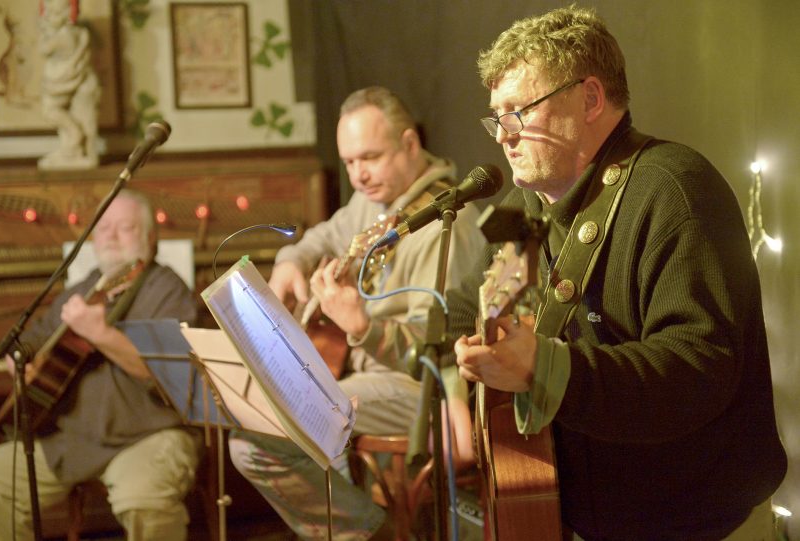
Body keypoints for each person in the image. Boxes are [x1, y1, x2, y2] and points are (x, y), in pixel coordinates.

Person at [450, 6, 787, 541]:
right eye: (497, 116)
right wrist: (469, 355)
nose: (503, 135)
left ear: (590, 98)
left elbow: (697, 372)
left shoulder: (675, 188)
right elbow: (466, 307)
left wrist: (548, 368)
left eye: (520, 112)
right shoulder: (529, 206)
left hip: (698, 526)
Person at [228, 86, 487, 540]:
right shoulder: (374, 200)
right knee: (252, 425)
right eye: (348, 162)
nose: (358, 175)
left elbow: (441, 354)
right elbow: (321, 238)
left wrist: (362, 326)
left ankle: (373, 533)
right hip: (360, 376)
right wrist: (292, 261)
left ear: (410, 144)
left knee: (259, 442)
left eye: (369, 157)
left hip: (419, 390)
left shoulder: (450, 225)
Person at [0, 190, 201, 541]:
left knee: (143, 499)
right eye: (103, 228)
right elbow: (35, 340)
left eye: (126, 227)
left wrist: (100, 334)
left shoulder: (168, 290)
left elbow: (171, 374)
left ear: (150, 237)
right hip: (71, 437)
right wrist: (20, 360)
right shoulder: (83, 289)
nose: (111, 236)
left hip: (148, 434)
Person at [37, 0, 100, 170]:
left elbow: (43, 49)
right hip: (69, 79)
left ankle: (74, 136)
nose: (49, 17)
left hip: (64, 81)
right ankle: (72, 149)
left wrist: (44, 29)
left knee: (50, 111)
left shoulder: (63, 36)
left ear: (67, 15)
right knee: (73, 115)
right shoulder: (79, 32)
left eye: (55, 13)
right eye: (47, 12)